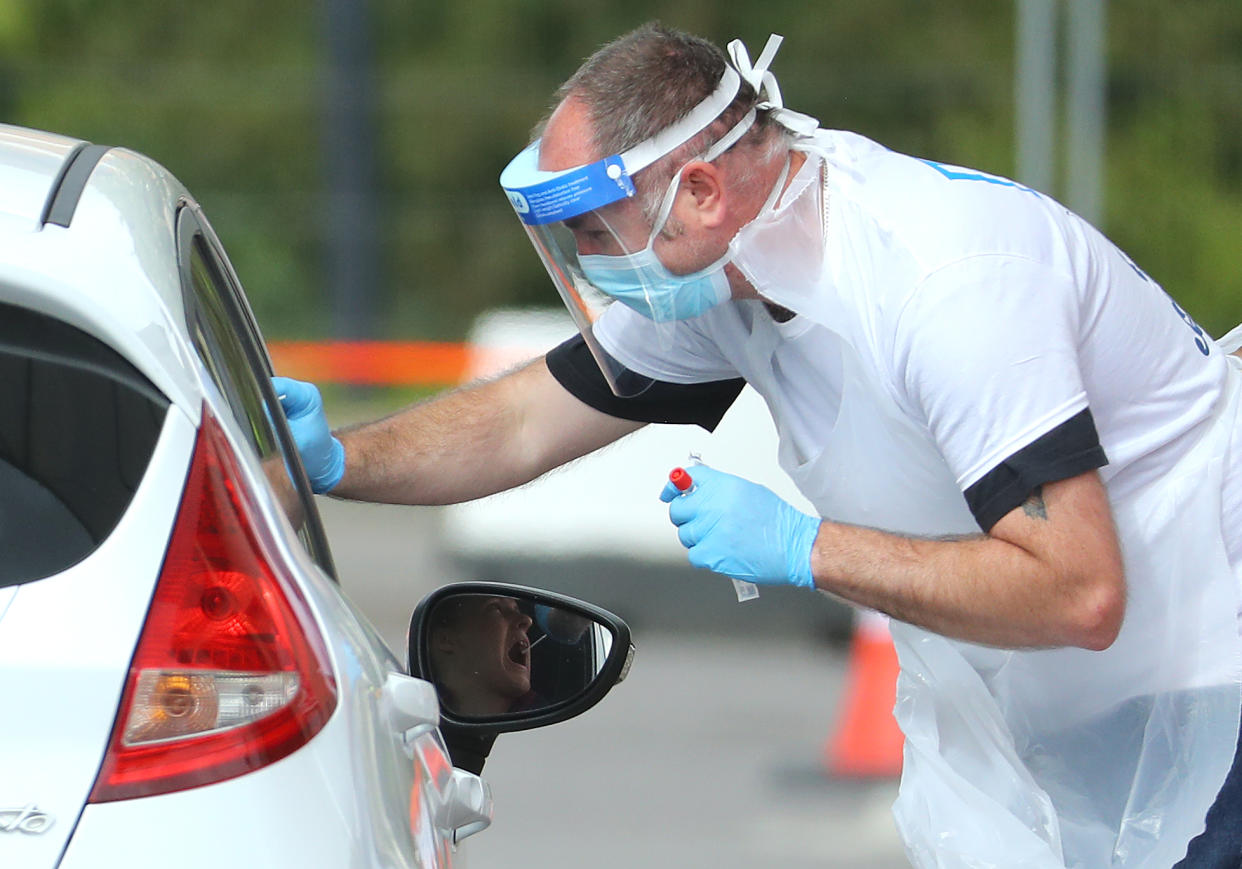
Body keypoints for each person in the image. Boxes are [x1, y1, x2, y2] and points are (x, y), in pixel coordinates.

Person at [275, 23, 1242, 868]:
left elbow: (1079, 591)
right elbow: (526, 418)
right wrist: (338, 463)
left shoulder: (947, 285)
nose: (596, 268)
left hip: (1211, 675)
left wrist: (803, 548)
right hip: (1083, 709)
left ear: (698, 191)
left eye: (596, 234)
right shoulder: (732, 273)